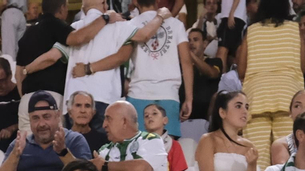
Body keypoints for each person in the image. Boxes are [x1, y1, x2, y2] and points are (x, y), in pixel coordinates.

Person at [0, 91, 92, 171]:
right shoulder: (19, 144)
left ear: (58, 116)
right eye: (35, 118)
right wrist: (15, 154)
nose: (41, 124)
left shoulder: (74, 140)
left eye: (46, 117)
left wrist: (63, 152)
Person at [237, 0, 303, 164]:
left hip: (257, 96)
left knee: (257, 160)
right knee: (288, 157)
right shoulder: (295, 29)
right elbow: (302, 65)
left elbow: (241, 70)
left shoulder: (252, 31)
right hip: (288, 96)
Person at [65, 0, 139, 132]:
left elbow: (54, 55)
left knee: (74, 147)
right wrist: (161, 16)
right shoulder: (119, 26)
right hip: (104, 96)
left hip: (74, 100)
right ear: (105, 4)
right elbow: (122, 56)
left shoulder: (73, 28)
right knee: (103, 150)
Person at [126, 0, 191, 137]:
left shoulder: (129, 25)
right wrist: (189, 98)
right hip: (169, 93)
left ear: (135, 2)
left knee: (139, 151)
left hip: (138, 92)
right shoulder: (176, 24)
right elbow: (186, 62)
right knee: (168, 152)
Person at [195, 89, 259, 171]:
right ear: (222, 112)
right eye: (238, 106)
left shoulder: (248, 146)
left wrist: (252, 164)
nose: (244, 111)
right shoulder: (208, 140)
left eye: (247, 107)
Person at [17, 0, 72, 97]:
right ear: (62, 8)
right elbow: (51, 58)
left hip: (27, 98)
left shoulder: (28, 33)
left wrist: (22, 96)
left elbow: (18, 72)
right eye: (67, 7)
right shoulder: (62, 28)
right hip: (50, 97)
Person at [185, 27, 223, 120]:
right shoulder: (181, 66)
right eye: (188, 40)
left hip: (205, 120)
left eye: (195, 40)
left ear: (205, 44)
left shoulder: (215, 61)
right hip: (182, 119)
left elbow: (212, 73)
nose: (191, 43)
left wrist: (189, 53)